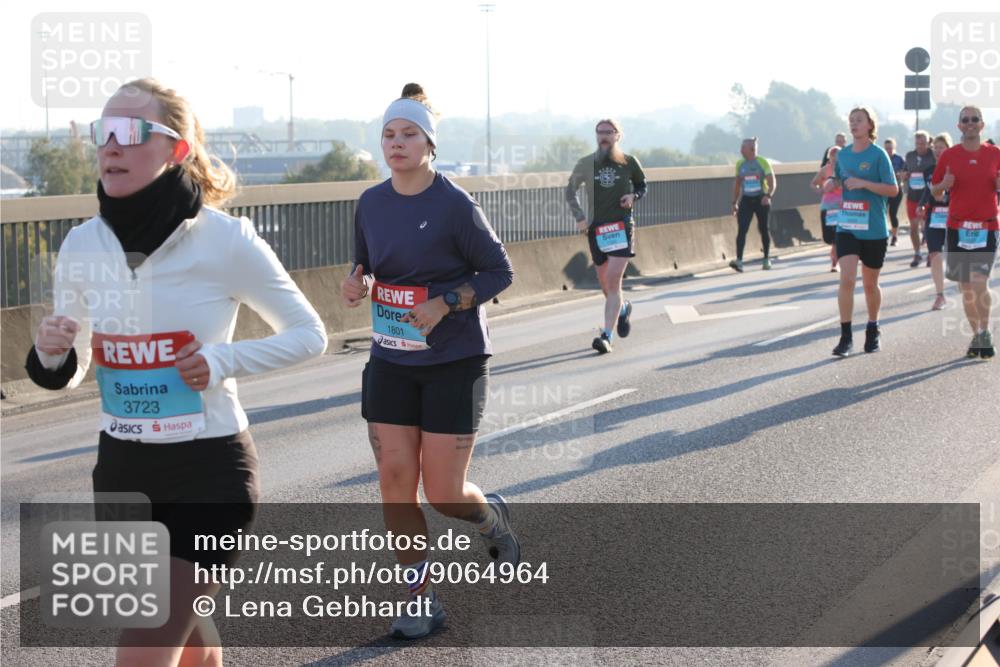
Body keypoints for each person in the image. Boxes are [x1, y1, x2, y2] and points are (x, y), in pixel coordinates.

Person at [26, 78, 328, 666]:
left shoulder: (225, 241)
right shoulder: (82, 245)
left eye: (129, 132)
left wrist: (221, 361)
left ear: (177, 150)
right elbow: (75, 363)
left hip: (208, 470)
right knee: (184, 641)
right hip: (122, 469)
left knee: (144, 646)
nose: (109, 146)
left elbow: (310, 334)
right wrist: (52, 353)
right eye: (102, 133)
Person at [341, 83, 518, 639]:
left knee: (443, 493)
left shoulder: (455, 205)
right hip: (391, 358)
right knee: (395, 478)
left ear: (429, 143)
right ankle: (420, 597)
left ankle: (488, 516)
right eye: (388, 134)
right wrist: (357, 282)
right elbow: (366, 265)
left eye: (408, 134)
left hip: (455, 359)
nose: (396, 143)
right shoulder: (370, 202)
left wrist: (445, 302)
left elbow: (500, 272)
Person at [566, 118, 647, 354]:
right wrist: (580, 217)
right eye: (600, 132)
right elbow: (570, 191)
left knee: (613, 281)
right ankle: (622, 309)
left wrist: (634, 197)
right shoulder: (586, 164)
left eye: (608, 133)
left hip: (621, 227)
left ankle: (606, 336)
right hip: (596, 230)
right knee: (605, 284)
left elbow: (643, 186)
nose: (603, 136)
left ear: (617, 136)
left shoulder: (629, 162)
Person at [825, 107, 899, 357]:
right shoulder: (843, 155)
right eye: (851, 120)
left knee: (870, 284)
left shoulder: (878, 155)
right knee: (846, 279)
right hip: (848, 226)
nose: (854, 124)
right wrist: (831, 182)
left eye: (859, 120)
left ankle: (873, 327)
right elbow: (838, 178)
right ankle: (845, 337)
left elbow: (892, 190)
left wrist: (864, 183)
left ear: (870, 125)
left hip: (874, 228)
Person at [930, 106, 1000, 359]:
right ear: (958, 126)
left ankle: (986, 332)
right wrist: (943, 185)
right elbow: (934, 191)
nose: (969, 123)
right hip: (958, 227)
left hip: (986, 226)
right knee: (966, 287)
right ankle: (977, 336)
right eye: (965, 120)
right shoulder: (949, 155)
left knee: (980, 281)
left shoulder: (995, 154)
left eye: (974, 120)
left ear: (982, 125)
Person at [729, 137, 777, 272]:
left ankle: (766, 259)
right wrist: (735, 202)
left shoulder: (763, 162)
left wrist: (768, 196)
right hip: (747, 200)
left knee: (763, 229)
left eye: (743, 148)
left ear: (751, 149)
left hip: (761, 199)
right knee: (742, 229)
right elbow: (738, 184)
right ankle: (739, 261)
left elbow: (772, 181)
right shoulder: (740, 164)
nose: (740, 150)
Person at [918, 133, 954, 311]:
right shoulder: (929, 171)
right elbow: (928, 191)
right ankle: (940, 295)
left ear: (949, 149)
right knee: (935, 255)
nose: (939, 150)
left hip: (955, 215)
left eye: (942, 147)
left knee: (956, 255)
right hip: (934, 217)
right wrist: (920, 205)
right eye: (936, 147)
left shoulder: (958, 168)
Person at [901, 131, 936, 267]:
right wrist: (904, 175)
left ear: (928, 143)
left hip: (927, 196)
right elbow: (904, 171)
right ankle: (917, 253)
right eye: (917, 143)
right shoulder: (910, 155)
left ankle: (930, 254)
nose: (920, 146)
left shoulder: (932, 155)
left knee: (928, 227)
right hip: (912, 196)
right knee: (913, 227)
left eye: (923, 143)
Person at [811, 145, 842, 271]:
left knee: (839, 236)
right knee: (830, 238)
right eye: (832, 157)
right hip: (828, 207)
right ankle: (835, 259)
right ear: (829, 158)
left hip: (842, 206)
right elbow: (813, 183)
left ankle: (835, 263)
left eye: (837, 157)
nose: (835, 160)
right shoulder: (825, 170)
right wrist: (820, 190)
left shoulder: (845, 169)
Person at [885, 138, 905, 245]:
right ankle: (883, 235)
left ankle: (895, 236)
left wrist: (901, 174)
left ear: (894, 148)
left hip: (896, 189)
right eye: (886, 148)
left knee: (893, 213)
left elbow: (906, 171)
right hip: (883, 189)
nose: (888, 150)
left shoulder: (899, 159)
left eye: (890, 148)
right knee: (882, 212)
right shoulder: (882, 158)